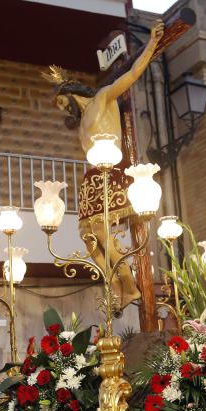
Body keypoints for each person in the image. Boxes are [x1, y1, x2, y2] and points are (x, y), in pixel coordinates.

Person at [41, 21, 165, 309]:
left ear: (72, 92)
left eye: (62, 102)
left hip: (114, 169)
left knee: (101, 232)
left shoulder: (103, 97)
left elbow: (133, 73)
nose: (63, 109)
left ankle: (130, 285)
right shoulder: (82, 123)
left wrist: (152, 43)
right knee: (89, 238)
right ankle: (114, 285)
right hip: (93, 177)